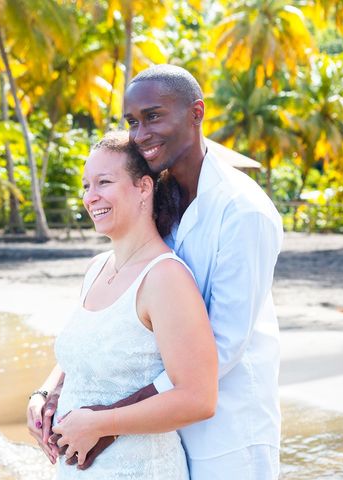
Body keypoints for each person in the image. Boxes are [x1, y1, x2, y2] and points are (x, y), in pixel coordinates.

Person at [27, 65, 284, 479]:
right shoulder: (165, 195)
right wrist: (56, 390)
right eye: (132, 121)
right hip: (161, 429)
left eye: (153, 116)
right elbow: (115, 332)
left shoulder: (243, 212)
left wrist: (106, 423)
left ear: (196, 113)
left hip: (231, 429)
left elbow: (223, 348)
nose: (141, 132)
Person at [29, 130, 218, 479]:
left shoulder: (165, 277)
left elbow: (199, 398)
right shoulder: (96, 269)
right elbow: (82, 355)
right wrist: (44, 394)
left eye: (104, 182)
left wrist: (101, 424)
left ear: (144, 187)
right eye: (86, 185)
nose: (91, 197)